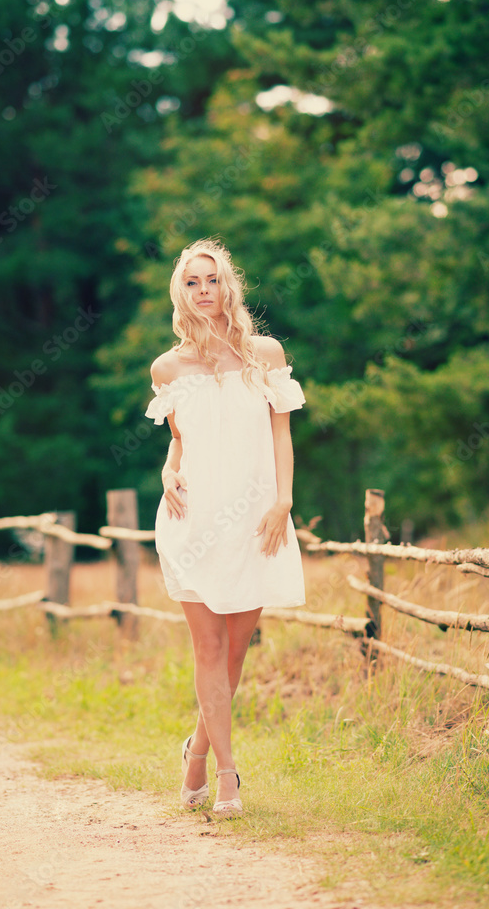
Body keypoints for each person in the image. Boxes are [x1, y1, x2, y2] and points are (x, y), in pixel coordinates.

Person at [145, 238, 306, 817]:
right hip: (193, 519)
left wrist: (284, 502)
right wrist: (167, 471)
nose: (203, 291)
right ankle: (226, 775)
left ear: (228, 285)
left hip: (256, 520)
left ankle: (195, 751)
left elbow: (281, 433)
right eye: (192, 282)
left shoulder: (266, 354)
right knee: (208, 646)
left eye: (212, 279)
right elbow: (180, 440)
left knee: (236, 650)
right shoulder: (168, 367)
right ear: (180, 292)